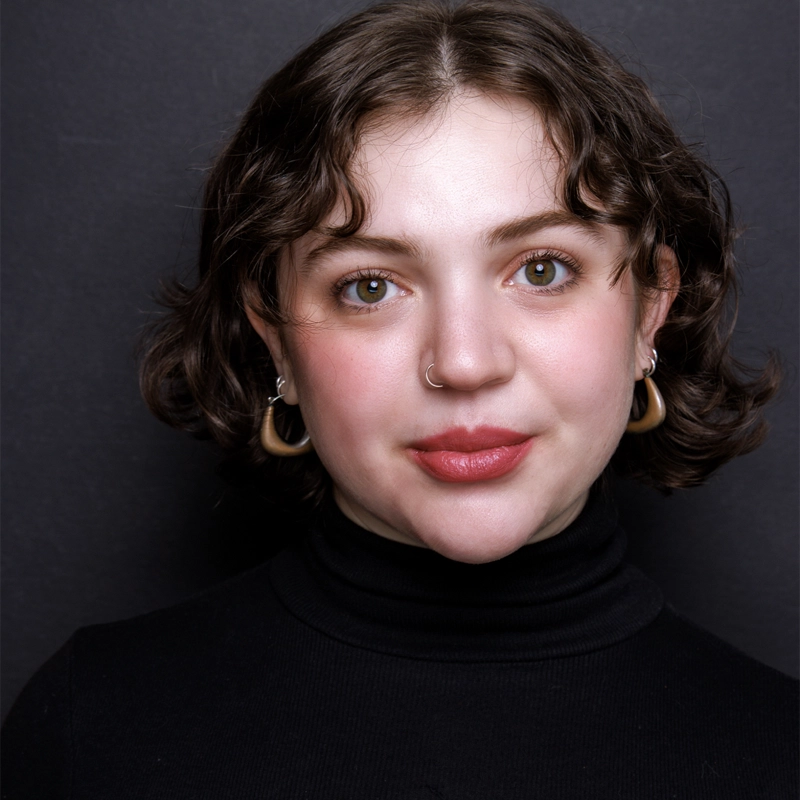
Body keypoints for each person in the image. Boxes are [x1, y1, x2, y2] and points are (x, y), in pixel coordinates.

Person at [3, 0, 796, 796]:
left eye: (542, 269)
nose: (463, 362)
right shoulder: (90, 731)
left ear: (649, 307)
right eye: (370, 285)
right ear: (273, 332)